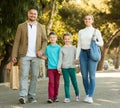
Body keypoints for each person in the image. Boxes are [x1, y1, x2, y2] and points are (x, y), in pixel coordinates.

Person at [11, 8, 47, 104]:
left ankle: (31, 96)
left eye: (35, 14)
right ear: (28, 14)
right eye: (31, 13)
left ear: (37, 15)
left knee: (34, 76)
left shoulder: (41, 26)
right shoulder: (21, 26)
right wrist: (14, 55)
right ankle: (23, 96)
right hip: (24, 55)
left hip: (36, 56)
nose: (33, 15)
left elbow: (45, 41)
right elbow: (17, 41)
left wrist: (41, 51)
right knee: (24, 75)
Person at [76, 14, 104, 103]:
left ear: (92, 21)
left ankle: (90, 96)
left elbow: (101, 43)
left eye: (89, 19)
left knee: (91, 76)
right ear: (84, 21)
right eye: (86, 19)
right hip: (83, 54)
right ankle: (88, 94)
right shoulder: (81, 31)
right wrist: (77, 57)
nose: (87, 20)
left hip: (92, 54)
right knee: (84, 76)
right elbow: (79, 45)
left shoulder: (96, 31)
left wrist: (95, 40)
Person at [57, 33, 80, 103]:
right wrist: (59, 67)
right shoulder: (62, 49)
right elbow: (60, 59)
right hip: (64, 68)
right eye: (65, 39)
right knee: (66, 83)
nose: (67, 40)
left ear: (71, 39)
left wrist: (78, 63)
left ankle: (77, 95)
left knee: (74, 82)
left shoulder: (74, 48)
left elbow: (77, 58)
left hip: (72, 67)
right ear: (63, 40)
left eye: (68, 39)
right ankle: (67, 97)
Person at [42, 32, 61, 103]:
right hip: (50, 68)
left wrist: (60, 67)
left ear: (56, 38)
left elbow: (60, 58)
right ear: (49, 39)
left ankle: (55, 97)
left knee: (56, 83)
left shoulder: (59, 48)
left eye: (54, 37)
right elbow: (46, 57)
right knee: (51, 82)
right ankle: (50, 97)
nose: (52, 38)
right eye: (51, 37)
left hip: (58, 68)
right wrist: (41, 57)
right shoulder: (47, 48)